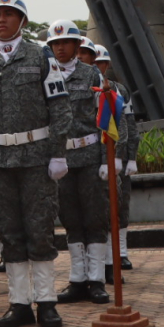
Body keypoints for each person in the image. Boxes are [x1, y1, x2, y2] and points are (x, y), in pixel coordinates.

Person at [0, 0, 70, 327]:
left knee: (39, 230)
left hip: (36, 158)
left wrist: (58, 152)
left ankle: (46, 302)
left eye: (9, 14)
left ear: (22, 21)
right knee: (8, 233)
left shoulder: (41, 56)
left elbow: (60, 106)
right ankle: (19, 303)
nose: (1, 20)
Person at [46, 21, 114, 306]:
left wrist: (106, 160)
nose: (60, 48)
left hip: (88, 157)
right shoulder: (45, 76)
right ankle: (77, 279)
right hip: (60, 159)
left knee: (94, 218)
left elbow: (108, 120)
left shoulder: (93, 76)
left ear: (77, 46)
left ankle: (96, 280)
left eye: (66, 42)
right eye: (55, 43)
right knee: (71, 220)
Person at [92, 45, 138, 275]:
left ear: (106, 65)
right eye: (93, 61)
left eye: (100, 62)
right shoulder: (84, 87)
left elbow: (129, 126)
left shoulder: (120, 90)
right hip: (92, 156)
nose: (96, 66)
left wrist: (129, 157)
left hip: (117, 157)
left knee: (120, 205)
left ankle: (121, 253)